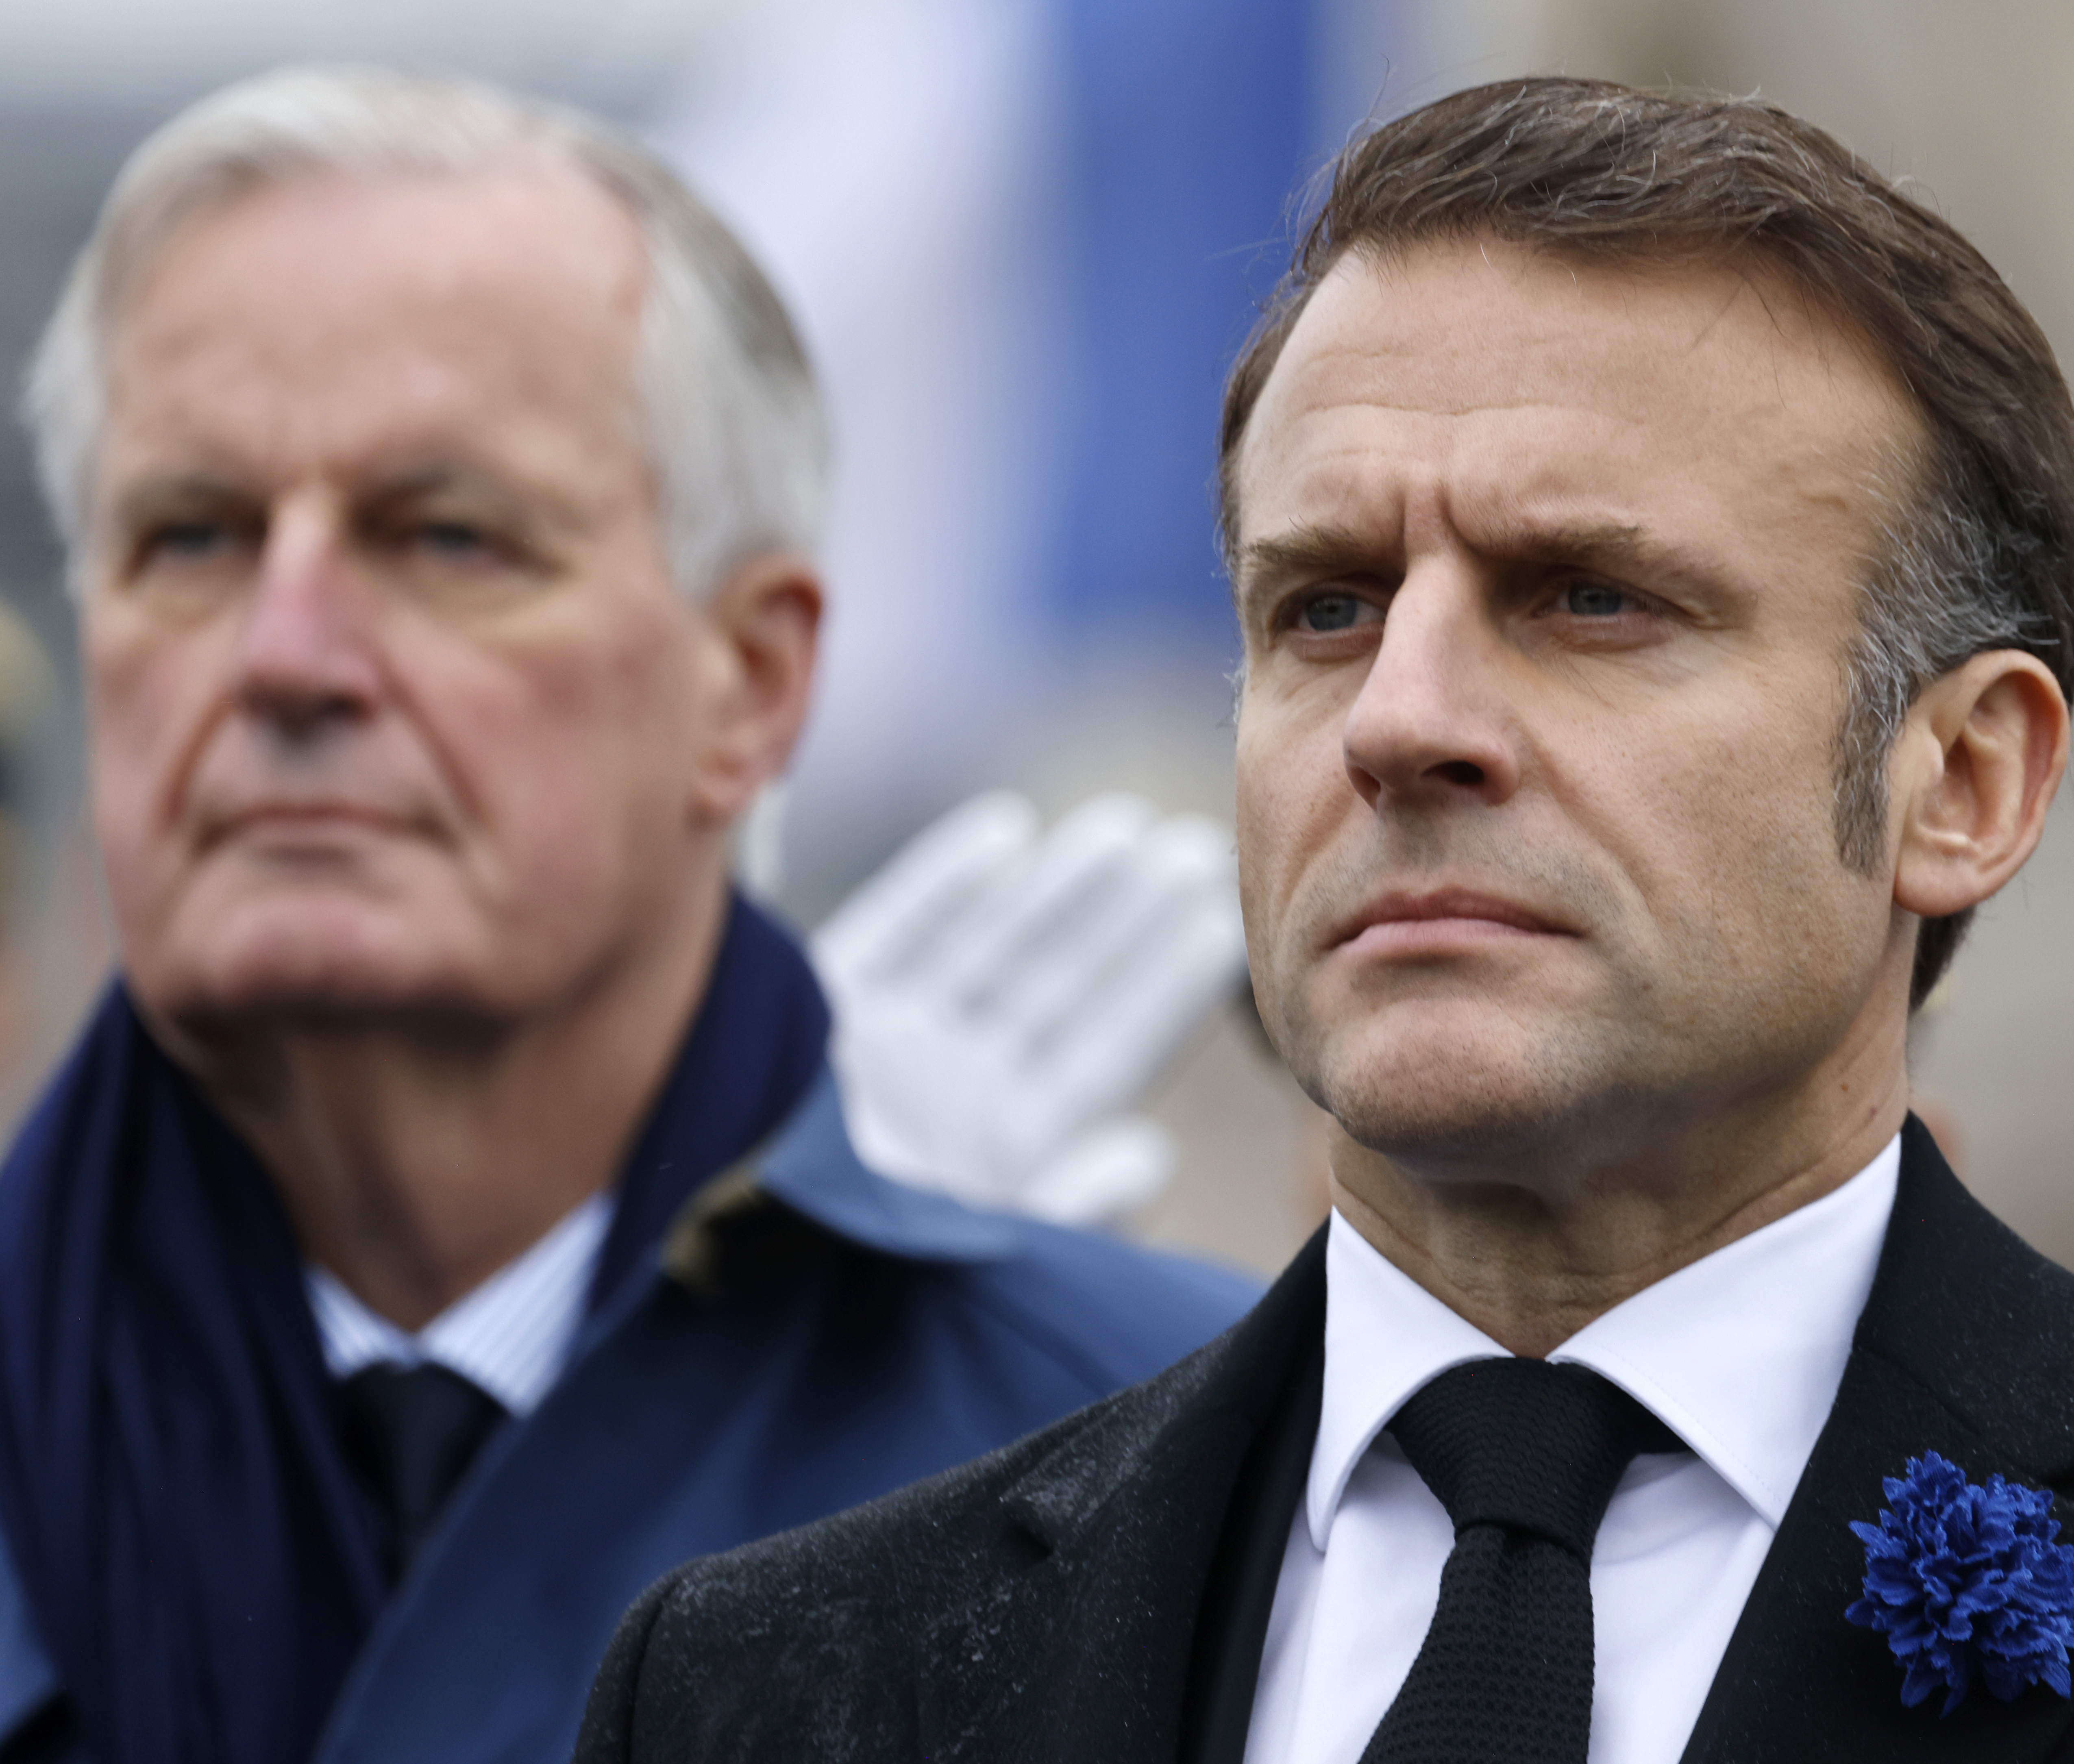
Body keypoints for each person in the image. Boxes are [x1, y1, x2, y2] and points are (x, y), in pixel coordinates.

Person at [575, 77, 2074, 1762]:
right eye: (1322, 607)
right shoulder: (769, 1687)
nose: (1401, 720)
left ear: (1967, 781)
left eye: (1590, 598)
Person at [0, 67, 1257, 1764]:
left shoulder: (1191, 1456)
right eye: (190, 535)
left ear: (747, 680)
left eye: (444, 535)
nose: (283, 653)